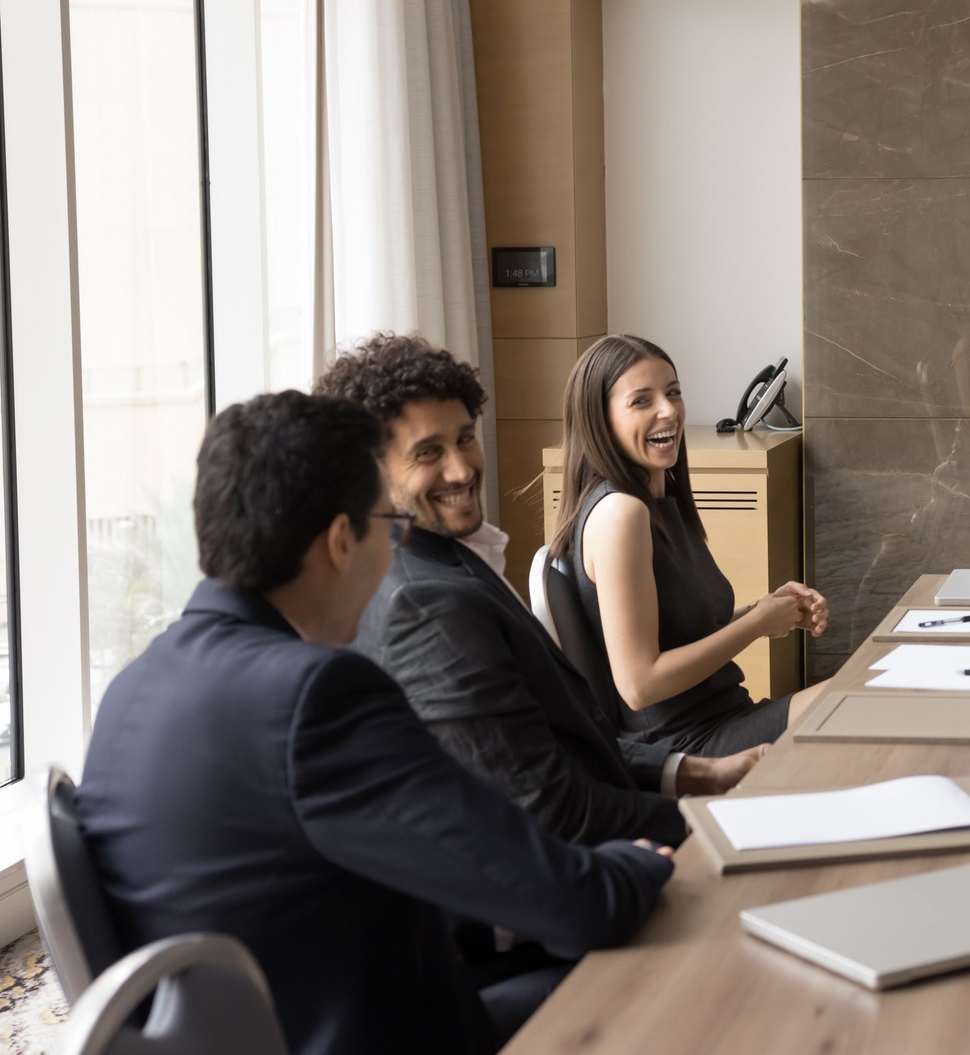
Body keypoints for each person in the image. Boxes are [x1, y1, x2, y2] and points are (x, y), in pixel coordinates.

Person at [75, 392, 675, 1055]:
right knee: (674, 964)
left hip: (276, 1017)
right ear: (341, 541)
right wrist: (637, 865)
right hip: (373, 1030)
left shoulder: (131, 688)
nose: (393, 553)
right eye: (390, 527)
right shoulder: (313, 696)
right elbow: (581, 906)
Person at [317, 334, 760, 850]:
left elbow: (560, 736)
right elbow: (547, 810)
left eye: (465, 438)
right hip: (600, 860)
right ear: (371, 469)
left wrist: (693, 772)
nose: (461, 469)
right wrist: (716, 823)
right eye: (428, 452)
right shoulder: (425, 604)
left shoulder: (447, 556)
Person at [548, 335, 830, 756]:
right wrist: (756, 624)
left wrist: (767, 610)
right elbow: (640, 685)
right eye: (641, 401)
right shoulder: (621, 514)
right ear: (599, 419)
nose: (669, 410)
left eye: (673, 392)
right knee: (872, 696)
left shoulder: (658, 500)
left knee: (877, 690)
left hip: (726, 719)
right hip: (689, 748)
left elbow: (681, 631)